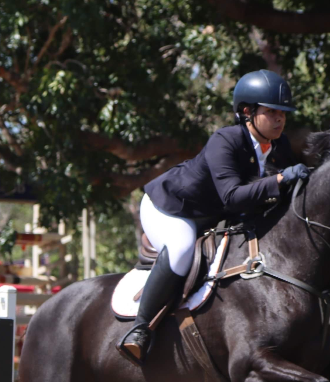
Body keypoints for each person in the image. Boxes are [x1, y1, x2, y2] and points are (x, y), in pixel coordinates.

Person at [117, 69, 311, 364]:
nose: (280, 119)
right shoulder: (226, 140)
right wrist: (282, 179)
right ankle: (139, 330)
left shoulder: (279, 146)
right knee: (181, 249)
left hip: (210, 215)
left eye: (283, 113)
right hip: (170, 208)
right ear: (247, 112)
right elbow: (232, 196)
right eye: (271, 112)